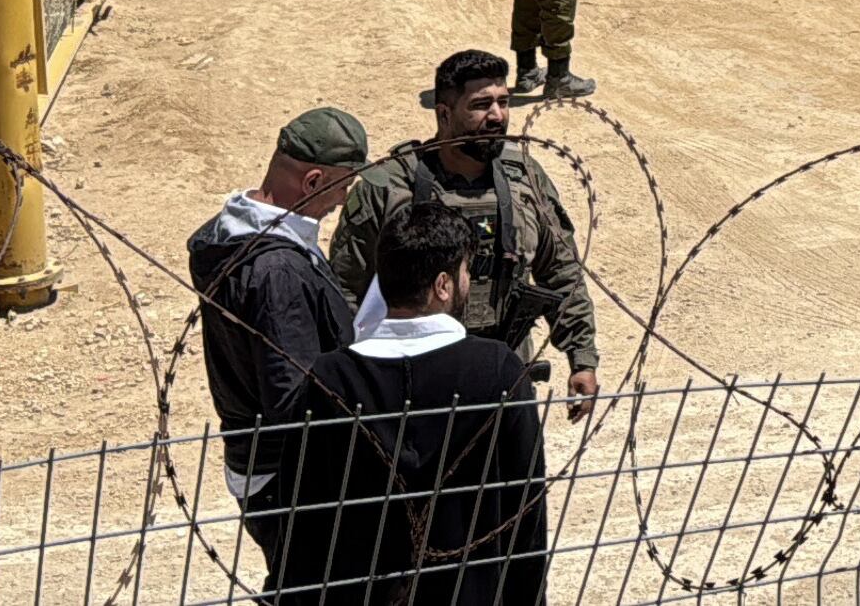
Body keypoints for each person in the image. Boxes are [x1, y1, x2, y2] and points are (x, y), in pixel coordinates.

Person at [268, 202, 548, 606]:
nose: (467, 282)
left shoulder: (331, 379)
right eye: (465, 271)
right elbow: (526, 509)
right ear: (442, 285)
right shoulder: (499, 371)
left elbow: (303, 514)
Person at [328, 50, 601, 426]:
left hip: (502, 373)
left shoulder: (523, 176)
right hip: (411, 381)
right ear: (444, 114)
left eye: (504, 103)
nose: (497, 116)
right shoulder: (390, 186)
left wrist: (581, 356)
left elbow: (561, 270)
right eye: (480, 105)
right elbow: (345, 287)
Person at [184, 108, 369, 536]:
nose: (344, 200)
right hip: (291, 477)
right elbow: (296, 398)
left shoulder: (229, 232)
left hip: (256, 459)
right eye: (343, 186)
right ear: (313, 182)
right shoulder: (277, 272)